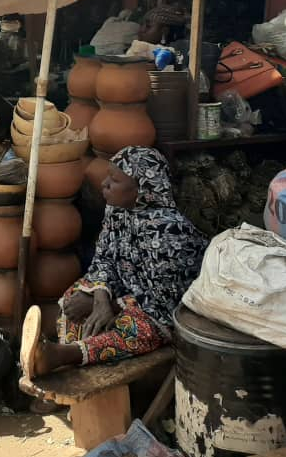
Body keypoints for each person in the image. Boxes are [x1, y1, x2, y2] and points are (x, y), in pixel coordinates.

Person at [21, 146, 208, 378]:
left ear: (143, 189)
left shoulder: (170, 232)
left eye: (115, 180)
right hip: (123, 293)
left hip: (163, 312)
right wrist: (100, 297)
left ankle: (62, 357)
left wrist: (114, 305)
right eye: (108, 176)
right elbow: (104, 259)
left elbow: (165, 302)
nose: (104, 184)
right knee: (76, 298)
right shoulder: (117, 211)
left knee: (136, 329)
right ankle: (63, 364)